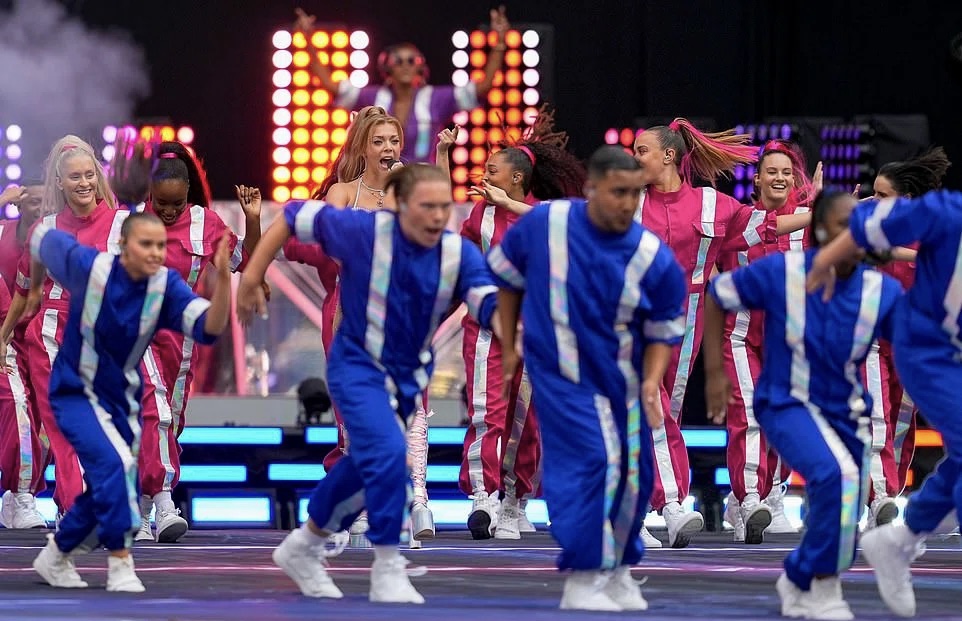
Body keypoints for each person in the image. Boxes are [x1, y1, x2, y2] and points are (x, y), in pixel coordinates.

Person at [236, 164, 500, 604]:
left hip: (408, 377)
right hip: (355, 366)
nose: (438, 216)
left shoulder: (457, 254)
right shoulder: (360, 230)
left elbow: (487, 303)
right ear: (398, 206)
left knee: (365, 465)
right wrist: (252, 275)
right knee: (391, 454)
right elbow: (289, 217)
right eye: (426, 206)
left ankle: (304, 545)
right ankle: (389, 565)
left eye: (443, 206)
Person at [489, 146, 685, 611]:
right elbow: (507, 279)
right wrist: (511, 344)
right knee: (594, 461)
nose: (628, 204)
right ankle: (581, 576)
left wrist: (653, 383)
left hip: (623, 379)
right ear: (592, 189)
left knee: (634, 478)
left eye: (636, 194)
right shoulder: (546, 225)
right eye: (618, 193)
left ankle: (617, 570)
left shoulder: (650, 254)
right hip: (560, 374)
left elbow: (663, 328)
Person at [704, 190, 902, 620]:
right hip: (786, 403)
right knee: (839, 475)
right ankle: (826, 589)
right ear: (820, 232)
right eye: (841, 226)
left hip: (848, 412)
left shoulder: (880, 290)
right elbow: (717, 292)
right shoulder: (782, 272)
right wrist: (716, 376)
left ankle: (798, 575)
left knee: (849, 497)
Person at [21, 212, 232, 592]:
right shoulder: (89, 266)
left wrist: (227, 281)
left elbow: (209, 327)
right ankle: (121, 562)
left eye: (161, 246)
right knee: (116, 465)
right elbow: (40, 238)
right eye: (145, 244)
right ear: (123, 246)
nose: (155, 253)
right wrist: (36, 289)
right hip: (74, 391)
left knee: (116, 484)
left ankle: (56, 555)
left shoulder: (164, 286)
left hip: (120, 399)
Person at [807, 187, 962, 618]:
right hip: (927, 349)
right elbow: (861, 227)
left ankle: (900, 540)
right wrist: (819, 268)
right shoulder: (944, 212)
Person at [115, 139, 261, 543]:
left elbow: (246, 262)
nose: (167, 212)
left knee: (168, 422)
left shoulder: (205, 223)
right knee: (154, 412)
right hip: (136, 337)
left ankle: (142, 514)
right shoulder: (128, 225)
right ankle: (164, 501)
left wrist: (253, 222)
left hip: (182, 344)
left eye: (175, 204)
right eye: (161, 203)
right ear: (149, 194)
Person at [631, 118, 768, 547]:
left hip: (686, 324)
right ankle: (670, 505)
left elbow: (764, 226)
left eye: (641, 151)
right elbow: (566, 223)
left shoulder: (713, 205)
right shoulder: (626, 201)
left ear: (669, 156)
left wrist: (820, 211)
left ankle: (642, 509)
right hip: (631, 319)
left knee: (661, 411)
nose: (634, 160)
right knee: (647, 404)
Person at [457, 105, 586, 539]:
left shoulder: (549, 212)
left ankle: (515, 498)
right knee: (485, 411)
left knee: (526, 419)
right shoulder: (479, 215)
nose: (484, 174)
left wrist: (510, 204)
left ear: (516, 178)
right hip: (487, 326)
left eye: (492, 169)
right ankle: (484, 496)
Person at [0, 135, 129, 518]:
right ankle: (74, 507)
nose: (84, 183)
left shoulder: (123, 224)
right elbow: (26, 294)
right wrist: (3, 337)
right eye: (75, 177)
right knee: (61, 427)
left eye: (89, 175)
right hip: (51, 341)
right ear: (60, 182)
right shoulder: (45, 227)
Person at [716, 140, 816, 543]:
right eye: (772, 171)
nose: (779, 178)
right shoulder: (741, 218)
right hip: (739, 335)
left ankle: (772, 495)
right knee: (749, 416)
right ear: (756, 178)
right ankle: (749, 499)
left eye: (787, 172)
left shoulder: (809, 226)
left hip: (786, 338)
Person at [860, 147, 951, 530]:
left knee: (902, 421)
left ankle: (889, 494)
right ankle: (880, 496)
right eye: (873, 194)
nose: (874, 201)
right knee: (876, 416)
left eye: (883, 196)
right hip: (873, 338)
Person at [294, 6, 509, 163]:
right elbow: (331, 86)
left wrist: (499, 42)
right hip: (380, 183)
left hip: (423, 183)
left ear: (421, 68)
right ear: (387, 69)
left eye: (412, 61)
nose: (405, 65)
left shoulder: (436, 98)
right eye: (398, 61)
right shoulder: (373, 98)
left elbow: (483, 88)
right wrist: (308, 42)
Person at [0, 182, 47, 528]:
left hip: (45, 340)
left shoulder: (58, 233)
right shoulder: (3, 232)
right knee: (19, 416)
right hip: (7, 339)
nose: (37, 206)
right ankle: (22, 496)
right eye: (30, 200)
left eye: (44, 201)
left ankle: (18, 496)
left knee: (38, 424)